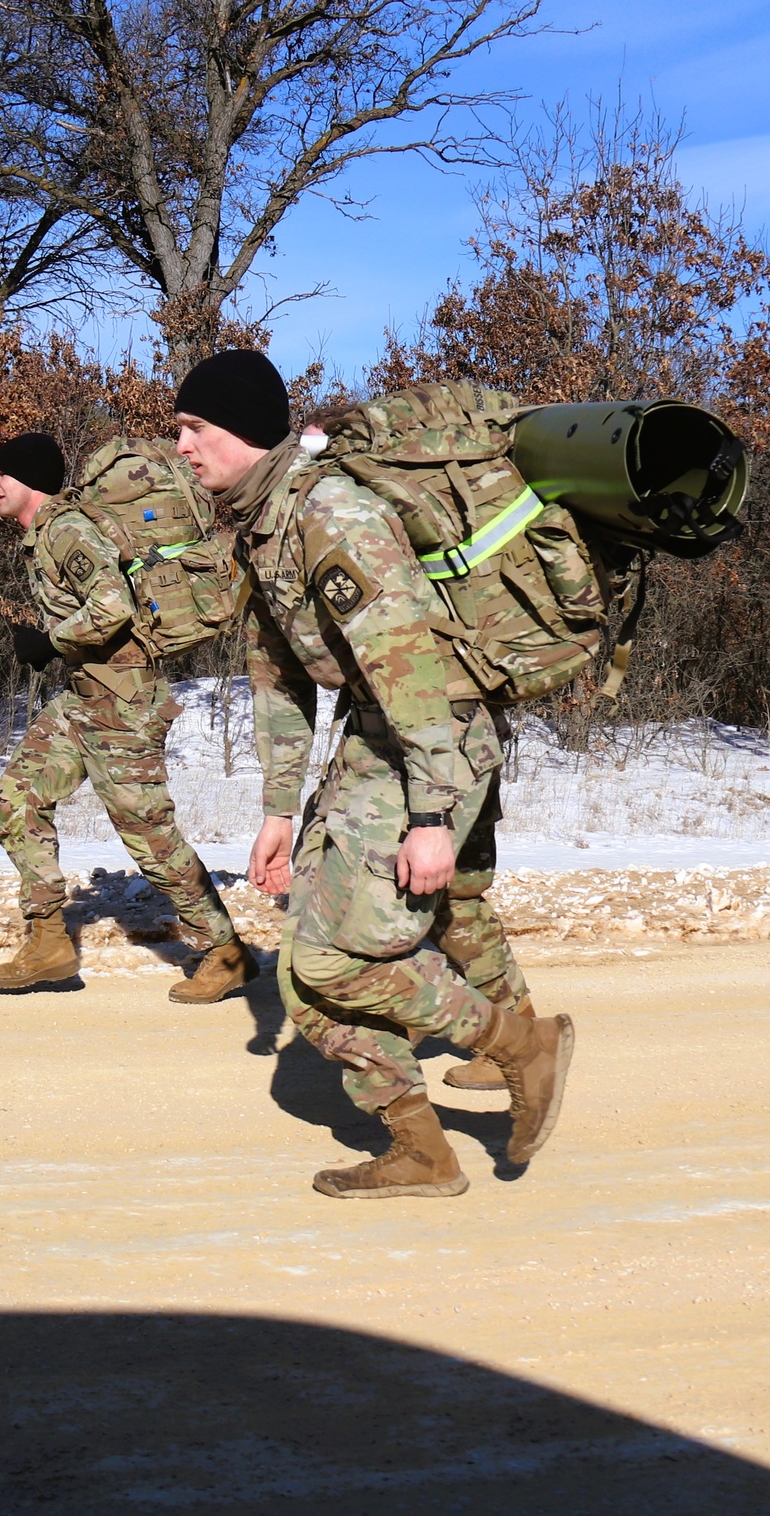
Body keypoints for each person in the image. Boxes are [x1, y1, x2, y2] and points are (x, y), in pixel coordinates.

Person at [173, 352, 574, 1198]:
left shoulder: (331, 513)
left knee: (324, 962)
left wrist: (431, 812)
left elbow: (407, 660)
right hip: (381, 737)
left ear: (243, 431)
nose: (182, 447)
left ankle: (517, 1043)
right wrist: (279, 809)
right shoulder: (258, 523)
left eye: (194, 429)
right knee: (321, 965)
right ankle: (422, 1150)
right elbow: (278, 677)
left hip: (429, 739)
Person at [0, 431, 259, 1001]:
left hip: (125, 704)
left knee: (150, 838)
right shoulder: (43, 536)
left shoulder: (65, 530)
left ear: (28, 479)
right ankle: (49, 944)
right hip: (85, 699)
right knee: (16, 798)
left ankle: (225, 951)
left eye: (2, 475)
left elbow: (114, 604)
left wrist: (50, 642)